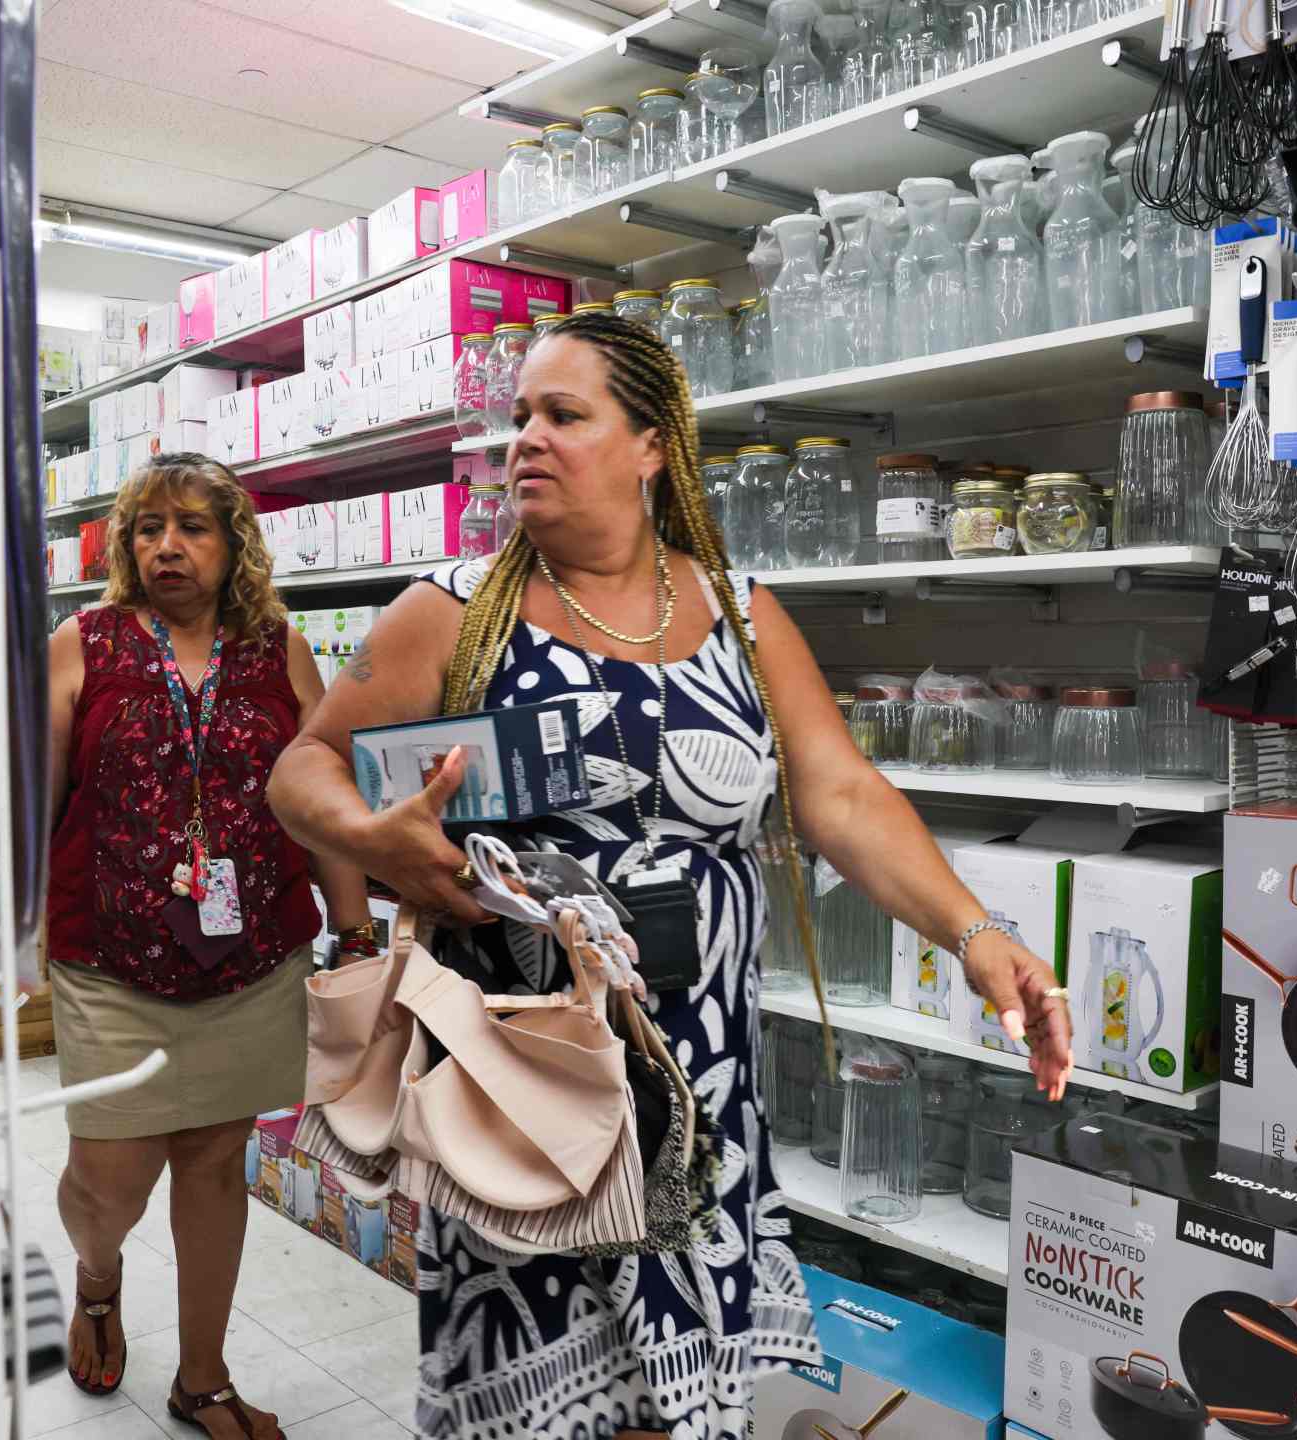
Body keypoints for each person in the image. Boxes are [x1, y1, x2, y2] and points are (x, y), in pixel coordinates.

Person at [267, 312, 1073, 1440]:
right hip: (529, 1080)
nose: (526, 439)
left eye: (564, 414)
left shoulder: (740, 611)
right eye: (520, 417)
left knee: (678, 1398)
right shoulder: (453, 609)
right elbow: (301, 769)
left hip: (700, 1080)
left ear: (651, 446)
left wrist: (977, 936)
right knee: (544, 1399)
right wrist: (377, 836)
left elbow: (840, 794)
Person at [44, 453, 375, 1440]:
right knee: (109, 1177)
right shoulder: (84, 642)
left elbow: (322, 801)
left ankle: (203, 1379)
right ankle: (97, 1277)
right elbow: (34, 801)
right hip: (107, 959)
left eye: (191, 527)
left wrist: (356, 929)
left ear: (235, 544)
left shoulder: (279, 650)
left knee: (214, 1160)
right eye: (148, 529)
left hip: (250, 958)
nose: (167, 547)